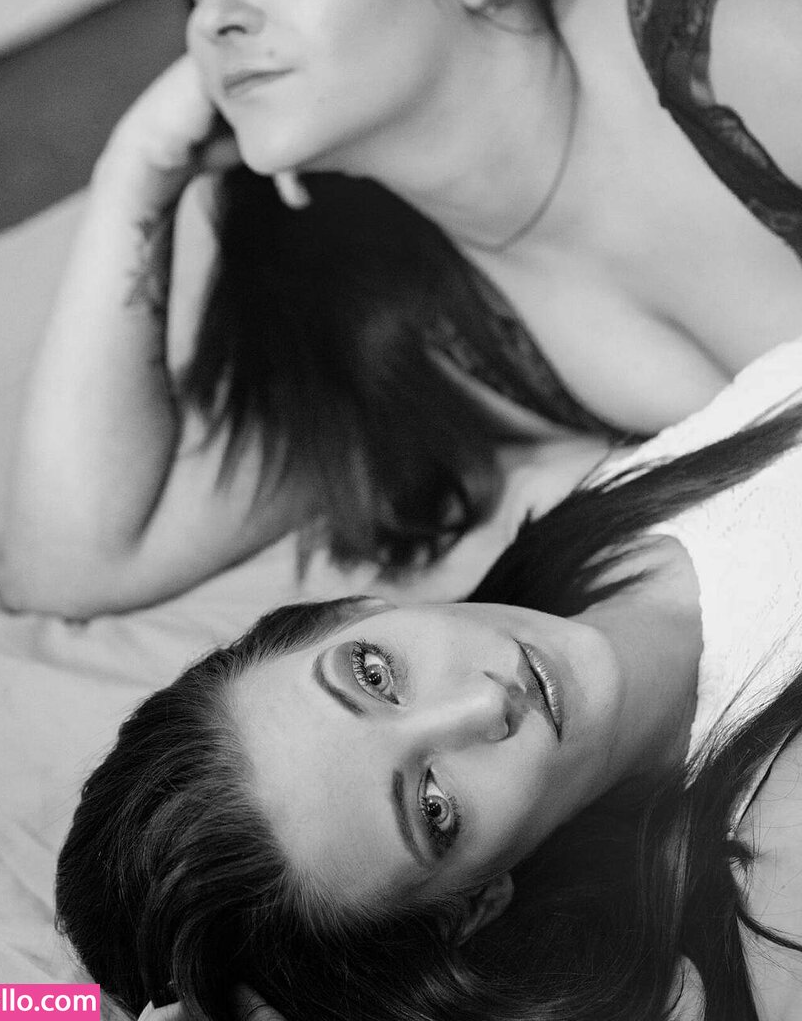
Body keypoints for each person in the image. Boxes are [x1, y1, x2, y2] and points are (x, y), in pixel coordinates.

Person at [0, 0, 802, 617]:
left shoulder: (729, 18)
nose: (215, 18)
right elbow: (72, 566)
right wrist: (135, 171)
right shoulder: (438, 334)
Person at [55, 338, 802, 1021]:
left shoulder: (603, 520)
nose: (485, 699)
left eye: (374, 673)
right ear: (472, 905)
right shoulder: (779, 848)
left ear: (353, 610)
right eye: (435, 808)